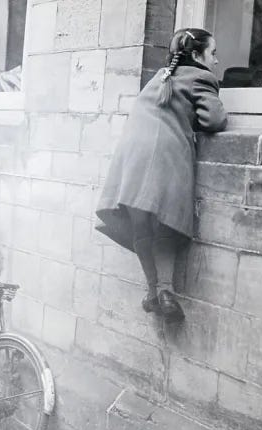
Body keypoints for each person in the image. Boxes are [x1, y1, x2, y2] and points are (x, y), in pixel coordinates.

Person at [95, 28, 227, 322]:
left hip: (130, 160)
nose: (216, 61)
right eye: (213, 53)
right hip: (163, 159)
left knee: (143, 227)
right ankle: (165, 290)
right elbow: (215, 120)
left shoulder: (159, 77)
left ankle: (154, 292)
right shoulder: (202, 78)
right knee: (165, 228)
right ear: (196, 55)